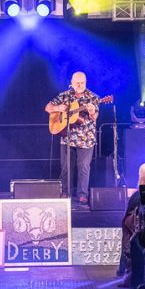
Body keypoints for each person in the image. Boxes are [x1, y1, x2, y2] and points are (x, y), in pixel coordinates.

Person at [44, 71, 100, 205]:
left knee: (84, 167)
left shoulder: (93, 97)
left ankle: (82, 195)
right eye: (77, 83)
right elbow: (48, 107)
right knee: (65, 167)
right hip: (67, 137)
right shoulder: (64, 95)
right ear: (72, 83)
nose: (80, 85)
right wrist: (58, 107)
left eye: (82, 83)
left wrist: (92, 111)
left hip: (86, 138)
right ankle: (66, 193)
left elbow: (95, 117)